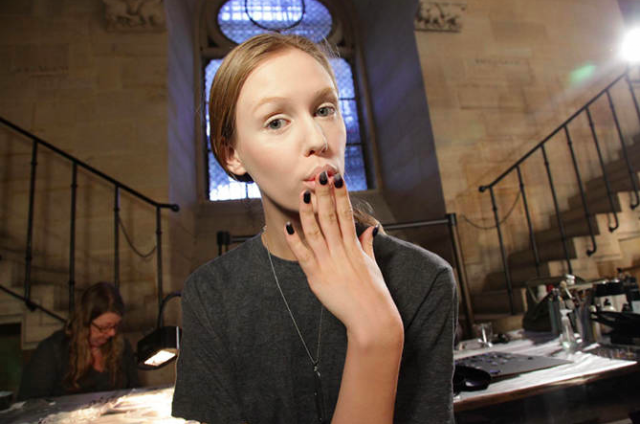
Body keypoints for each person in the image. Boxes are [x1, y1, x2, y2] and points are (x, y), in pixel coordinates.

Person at [172, 33, 457, 423]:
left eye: (325, 110)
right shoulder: (212, 294)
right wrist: (377, 335)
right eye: (276, 122)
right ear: (232, 154)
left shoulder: (423, 278)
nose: (318, 140)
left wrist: (378, 332)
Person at [18, 282, 139, 400]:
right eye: (104, 327)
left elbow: (134, 392)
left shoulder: (121, 347)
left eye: (115, 326)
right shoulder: (53, 351)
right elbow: (29, 403)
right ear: (84, 321)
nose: (112, 333)